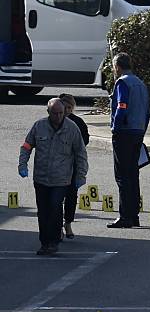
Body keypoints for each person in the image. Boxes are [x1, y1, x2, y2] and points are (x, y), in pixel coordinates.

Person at [18, 98, 88, 255]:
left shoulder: (72, 128)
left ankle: (54, 242)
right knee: (43, 211)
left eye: (61, 113)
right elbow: (27, 146)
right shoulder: (39, 126)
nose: (58, 117)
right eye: (54, 113)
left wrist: (81, 175)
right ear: (48, 112)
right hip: (41, 178)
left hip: (61, 179)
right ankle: (45, 242)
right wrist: (22, 164)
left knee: (55, 208)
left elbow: (80, 153)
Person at [107, 52, 150, 228]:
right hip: (138, 131)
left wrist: (115, 127)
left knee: (122, 175)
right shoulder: (140, 83)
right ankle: (134, 215)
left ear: (117, 66)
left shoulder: (122, 82)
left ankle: (125, 216)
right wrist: (142, 131)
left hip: (124, 132)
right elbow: (147, 111)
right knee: (133, 174)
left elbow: (121, 106)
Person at [59, 93, 89, 239]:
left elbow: (85, 142)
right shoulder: (53, 121)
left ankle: (68, 223)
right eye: (65, 107)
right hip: (57, 166)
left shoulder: (78, 122)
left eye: (70, 108)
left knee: (71, 196)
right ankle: (57, 225)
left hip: (73, 165)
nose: (67, 111)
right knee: (57, 197)